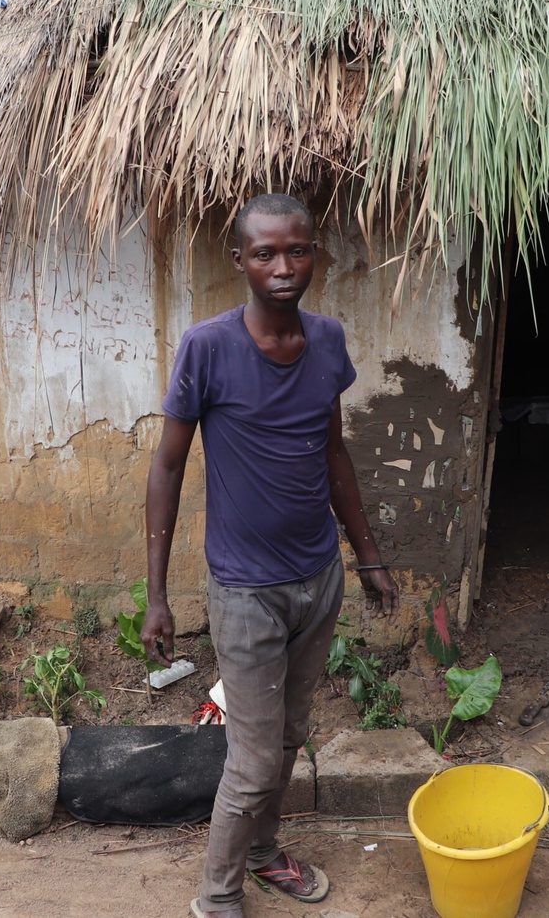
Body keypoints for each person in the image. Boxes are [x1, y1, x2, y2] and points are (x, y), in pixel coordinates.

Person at [141, 193, 399, 918]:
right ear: (240, 262)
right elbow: (167, 468)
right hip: (246, 592)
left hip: (318, 580)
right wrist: (157, 594)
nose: (283, 267)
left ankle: (261, 851)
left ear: (314, 253)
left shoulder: (328, 341)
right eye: (265, 253)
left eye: (297, 250)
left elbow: (333, 451)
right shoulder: (209, 347)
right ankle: (216, 896)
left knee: (286, 736)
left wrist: (368, 557)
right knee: (252, 759)